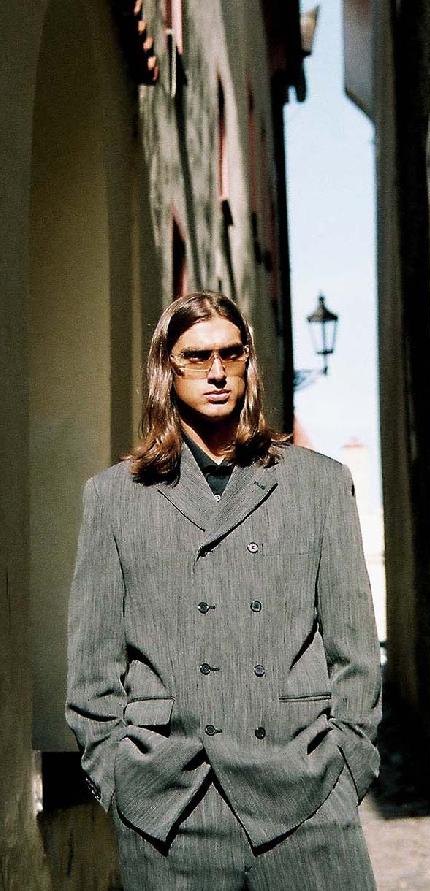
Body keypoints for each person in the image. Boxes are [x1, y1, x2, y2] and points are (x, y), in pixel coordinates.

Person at [66, 290, 381, 890]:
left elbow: (356, 653)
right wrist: (116, 778)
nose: (216, 371)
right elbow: (92, 669)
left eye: (230, 354)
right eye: (196, 356)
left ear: (247, 363)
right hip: (168, 805)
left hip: (304, 795)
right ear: (167, 368)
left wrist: (347, 764)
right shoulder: (115, 498)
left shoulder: (317, 486)